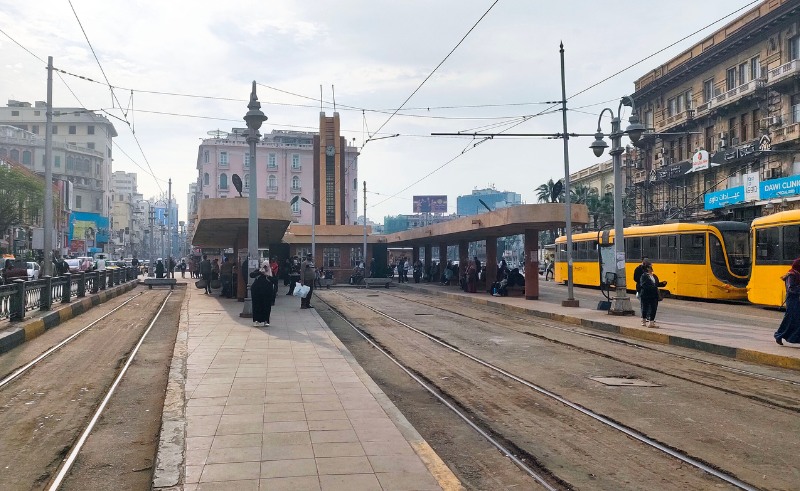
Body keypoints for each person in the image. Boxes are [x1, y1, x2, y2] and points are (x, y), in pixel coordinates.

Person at [775, 258, 800, 345]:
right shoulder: (791, 275)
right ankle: (779, 335)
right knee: (790, 320)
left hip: (797, 300)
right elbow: (791, 289)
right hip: (793, 301)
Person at [249, 259, 274, 326]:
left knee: (266, 306)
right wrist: (260, 272)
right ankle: (257, 320)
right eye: (264, 266)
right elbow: (251, 275)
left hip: (267, 293)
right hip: (257, 292)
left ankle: (266, 320)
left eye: (266, 266)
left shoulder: (270, 272)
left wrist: (268, 276)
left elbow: (275, 280)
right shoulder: (259, 271)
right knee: (257, 306)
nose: (265, 268)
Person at [633, 257, 651, 324]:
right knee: (643, 303)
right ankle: (644, 316)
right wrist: (642, 281)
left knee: (648, 303)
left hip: (648, 288)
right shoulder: (638, 269)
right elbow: (635, 278)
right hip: (641, 288)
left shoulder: (648, 269)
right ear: (643, 262)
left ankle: (648, 316)